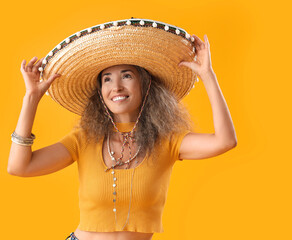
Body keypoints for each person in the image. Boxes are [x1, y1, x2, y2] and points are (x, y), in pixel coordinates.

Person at [8, 18, 237, 240]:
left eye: (126, 76)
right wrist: (31, 98)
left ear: (145, 84)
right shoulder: (84, 139)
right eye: (107, 79)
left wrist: (207, 75)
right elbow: (19, 167)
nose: (116, 87)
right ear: (100, 92)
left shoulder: (167, 140)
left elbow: (225, 141)